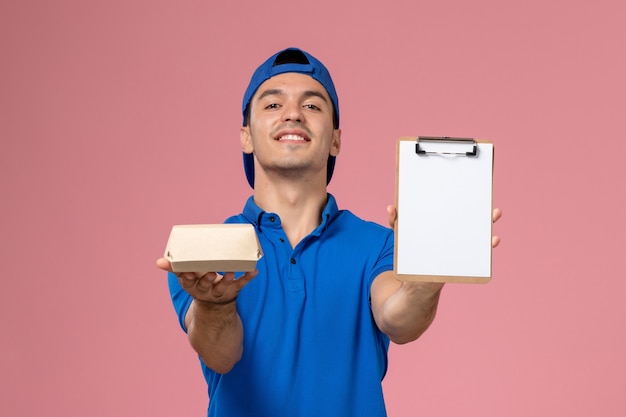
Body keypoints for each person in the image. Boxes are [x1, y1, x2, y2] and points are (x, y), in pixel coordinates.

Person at [157, 47, 502, 417]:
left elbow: (397, 320)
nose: (292, 114)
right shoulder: (206, 254)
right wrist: (215, 303)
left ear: (336, 139)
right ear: (246, 137)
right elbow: (221, 356)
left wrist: (425, 280)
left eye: (313, 106)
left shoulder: (377, 245)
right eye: (273, 105)